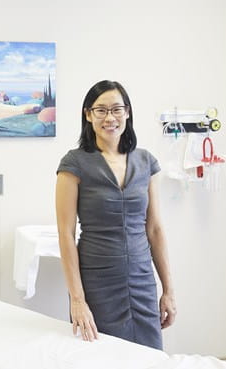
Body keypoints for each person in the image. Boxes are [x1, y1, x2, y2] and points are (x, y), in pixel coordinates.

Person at [55, 80, 176, 350]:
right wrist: (77, 299)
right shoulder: (73, 164)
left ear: (128, 112)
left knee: (149, 357)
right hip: (97, 282)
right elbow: (65, 233)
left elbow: (154, 229)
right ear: (88, 115)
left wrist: (168, 290)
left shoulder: (146, 162)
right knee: (100, 357)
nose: (110, 117)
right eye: (101, 110)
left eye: (117, 109)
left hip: (142, 279)